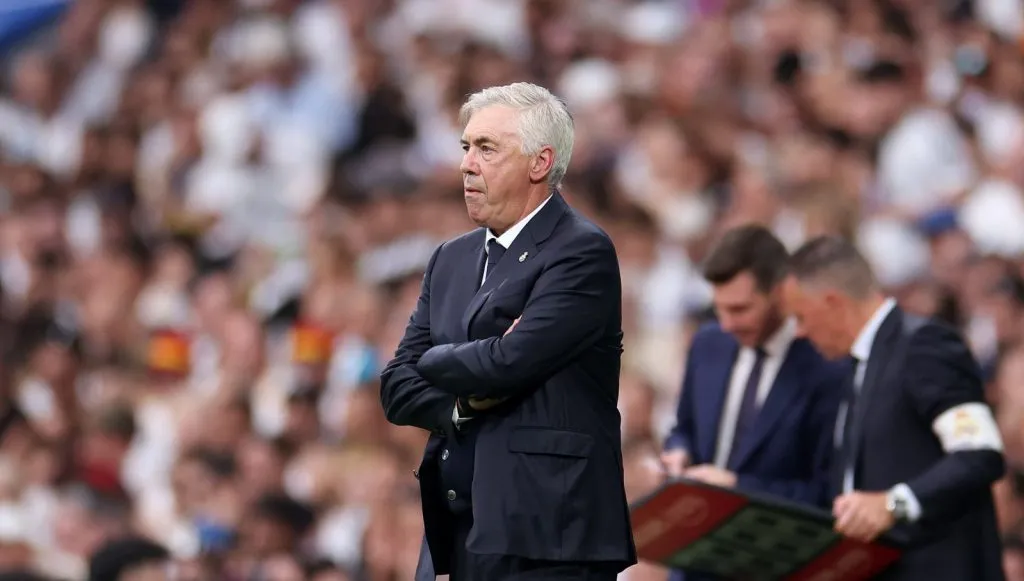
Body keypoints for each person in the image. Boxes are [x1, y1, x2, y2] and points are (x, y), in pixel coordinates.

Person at [379, 82, 636, 581]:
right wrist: (456, 403)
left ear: (540, 163)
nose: (465, 164)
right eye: (465, 147)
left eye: (486, 149)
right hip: (456, 536)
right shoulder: (450, 258)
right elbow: (395, 385)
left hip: (546, 538)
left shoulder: (580, 250)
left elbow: (508, 364)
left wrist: (436, 358)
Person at [784, 235, 1006, 581]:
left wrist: (893, 504)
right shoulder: (856, 368)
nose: (799, 332)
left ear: (833, 303)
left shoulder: (922, 346)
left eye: (800, 316)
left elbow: (980, 453)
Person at [662, 225, 845, 581]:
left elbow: (826, 493)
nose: (728, 323)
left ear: (779, 293)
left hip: (777, 562)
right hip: (696, 561)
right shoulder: (708, 344)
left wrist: (736, 487)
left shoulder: (825, 366)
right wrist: (678, 453)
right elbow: (683, 428)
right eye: (720, 309)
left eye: (741, 309)